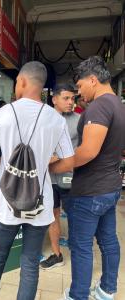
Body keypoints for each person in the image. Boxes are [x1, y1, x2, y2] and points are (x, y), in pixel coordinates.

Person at [0, 61, 74, 300]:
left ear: (21, 81)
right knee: (30, 264)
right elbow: (69, 161)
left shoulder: (2, 114)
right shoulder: (56, 119)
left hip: (7, 205)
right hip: (40, 206)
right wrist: (43, 168)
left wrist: (3, 165)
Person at [62, 56, 125, 300]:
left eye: (79, 86)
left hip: (90, 191)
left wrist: (57, 165)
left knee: (81, 246)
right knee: (109, 240)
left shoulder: (98, 107)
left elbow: (87, 152)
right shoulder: (118, 104)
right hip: (110, 187)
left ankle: (78, 295)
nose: (78, 92)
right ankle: (107, 290)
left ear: (92, 79)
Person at [40, 83, 80, 270]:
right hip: (49, 178)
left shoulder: (79, 120)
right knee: (53, 214)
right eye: (66, 98)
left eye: (73, 98)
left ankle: (80, 252)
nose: (70, 102)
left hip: (71, 177)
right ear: (54, 99)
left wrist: (63, 156)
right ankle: (57, 255)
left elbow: (86, 149)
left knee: (75, 215)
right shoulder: (43, 119)